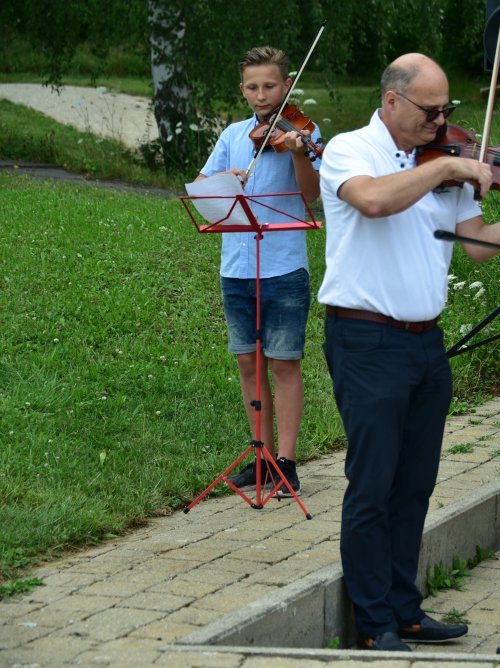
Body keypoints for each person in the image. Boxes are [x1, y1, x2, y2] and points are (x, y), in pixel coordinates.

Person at [317, 52, 500, 652]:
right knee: (372, 486)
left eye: (448, 112)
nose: (442, 123)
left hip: (425, 343)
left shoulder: (446, 162)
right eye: (431, 111)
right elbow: (374, 202)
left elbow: (479, 247)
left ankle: (405, 609)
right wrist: (444, 171)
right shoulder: (349, 149)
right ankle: (373, 623)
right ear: (392, 101)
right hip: (365, 338)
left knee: (414, 486)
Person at [197, 45, 321, 498]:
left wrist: (297, 153)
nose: (261, 95)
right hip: (236, 268)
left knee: (284, 364)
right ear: (243, 89)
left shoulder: (303, 132)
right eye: (252, 87)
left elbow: (311, 196)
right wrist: (227, 177)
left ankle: (287, 463)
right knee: (249, 365)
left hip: (284, 267)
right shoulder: (233, 135)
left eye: (270, 86)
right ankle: (261, 458)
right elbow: (203, 191)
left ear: (286, 85)